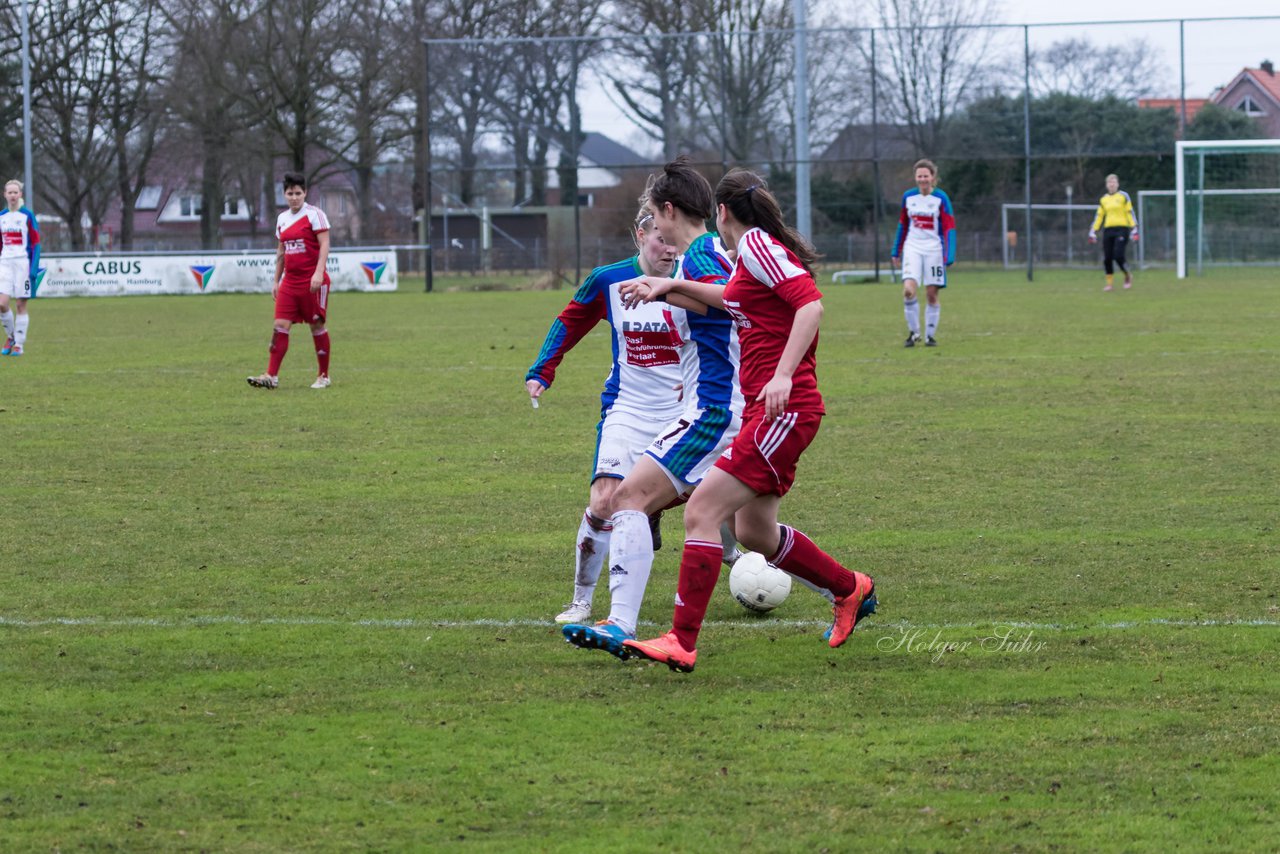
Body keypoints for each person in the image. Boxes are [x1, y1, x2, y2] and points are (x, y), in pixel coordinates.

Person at [617, 169, 876, 674]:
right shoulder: (746, 259)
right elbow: (727, 299)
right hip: (772, 410)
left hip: (784, 406)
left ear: (722, 213)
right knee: (755, 532)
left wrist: (783, 376)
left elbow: (811, 306)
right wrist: (667, 285)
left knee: (702, 511)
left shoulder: (755, 245)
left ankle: (681, 640)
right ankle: (850, 588)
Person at [559, 156, 742, 659]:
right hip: (712, 407)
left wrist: (668, 287)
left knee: (628, 500)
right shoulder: (702, 255)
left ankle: (622, 624)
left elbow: (737, 298)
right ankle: (847, 589)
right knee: (750, 528)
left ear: (667, 210)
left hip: (716, 409)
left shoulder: (701, 255)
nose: (652, 224)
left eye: (653, 214)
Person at [525, 204, 684, 625]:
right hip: (628, 407)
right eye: (660, 240)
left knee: (710, 496)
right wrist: (543, 369)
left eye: (673, 239)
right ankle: (581, 600)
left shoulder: (695, 277)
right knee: (604, 502)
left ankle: (730, 554)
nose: (669, 249)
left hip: (686, 407)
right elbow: (569, 322)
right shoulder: (609, 280)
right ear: (639, 235)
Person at [247, 171, 333, 389]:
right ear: (284, 195)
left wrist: (318, 273)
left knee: (316, 325)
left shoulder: (315, 215)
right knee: (280, 326)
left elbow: (325, 245)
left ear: (305, 193)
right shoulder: (282, 219)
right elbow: (281, 251)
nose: (294, 197)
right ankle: (271, 376)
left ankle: (323, 376)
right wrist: (276, 280)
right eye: (289, 193)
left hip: (312, 282)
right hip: (290, 283)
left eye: (298, 193)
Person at [891, 159, 955, 348]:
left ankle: (930, 336)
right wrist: (896, 250)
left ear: (932, 177)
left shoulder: (941, 198)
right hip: (913, 247)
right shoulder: (908, 197)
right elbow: (902, 225)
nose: (923, 179)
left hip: (934, 249)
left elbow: (950, 228)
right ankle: (914, 333)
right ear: (915, 177)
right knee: (909, 290)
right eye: (919, 176)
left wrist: (949, 254)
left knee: (931, 294)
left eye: (926, 176)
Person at [0, 179, 41, 357]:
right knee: (2, 304)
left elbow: (36, 243)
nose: (13, 195)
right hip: (5, 263)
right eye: (10, 192)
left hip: (22, 264)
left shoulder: (27, 216)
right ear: (5, 195)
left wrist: (34, 268)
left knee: (20, 304)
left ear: (20, 195)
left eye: (16, 192)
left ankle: (19, 344)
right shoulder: (1, 216)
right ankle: (11, 337)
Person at [1089, 173, 1138, 291]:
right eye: (1109, 182)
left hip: (1122, 229)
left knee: (1118, 255)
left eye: (1114, 182)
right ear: (1106, 185)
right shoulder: (1104, 199)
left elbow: (1129, 212)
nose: (1111, 184)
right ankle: (1109, 284)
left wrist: (1135, 228)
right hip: (1108, 230)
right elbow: (1099, 216)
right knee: (1107, 258)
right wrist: (1093, 231)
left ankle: (1127, 275)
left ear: (1117, 184)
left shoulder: (1123, 196)